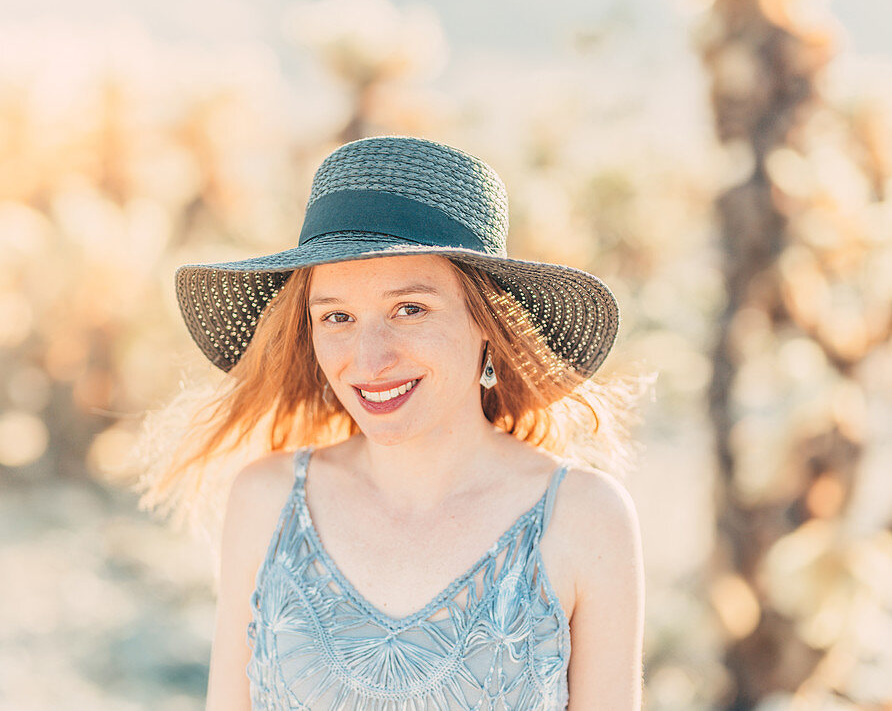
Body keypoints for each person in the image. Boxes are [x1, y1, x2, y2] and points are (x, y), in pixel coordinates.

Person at [142, 135, 645, 709]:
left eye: (409, 309)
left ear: (488, 322)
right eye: (337, 317)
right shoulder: (268, 500)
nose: (369, 359)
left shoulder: (581, 518)